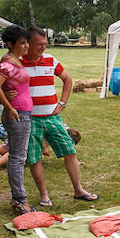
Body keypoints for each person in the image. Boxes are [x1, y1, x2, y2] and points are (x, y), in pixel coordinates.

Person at [21, 26, 97, 205]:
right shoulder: (18, 62)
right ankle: (44, 195)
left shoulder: (50, 60)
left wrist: (62, 102)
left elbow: (68, 79)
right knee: (35, 158)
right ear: (28, 43)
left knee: (70, 151)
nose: (43, 48)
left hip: (52, 117)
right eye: (39, 44)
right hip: (30, 119)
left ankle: (78, 190)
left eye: (45, 44)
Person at [0, 25, 34, 215]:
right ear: (10, 44)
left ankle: (19, 199)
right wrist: (9, 107)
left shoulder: (15, 61)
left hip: (22, 112)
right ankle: (20, 201)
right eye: (22, 43)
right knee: (17, 158)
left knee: (18, 156)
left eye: (26, 42)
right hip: (17, 114)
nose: (26, 46)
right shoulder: (9, 63)